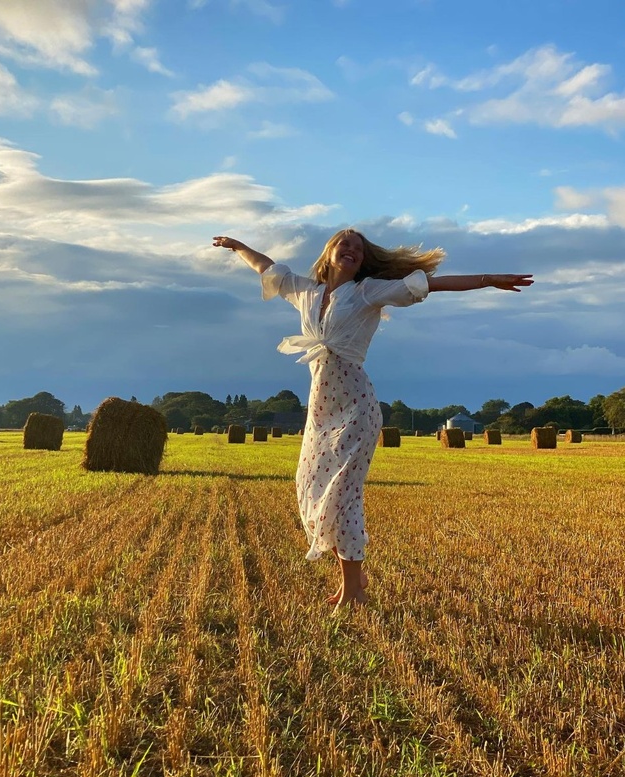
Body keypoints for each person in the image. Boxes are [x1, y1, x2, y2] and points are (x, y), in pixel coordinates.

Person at [213, 229, 533, 607]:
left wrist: (488, 280)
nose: (351, 250)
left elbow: (433, 284)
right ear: (329, 251)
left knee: (343, 497)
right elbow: (266, 267)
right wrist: (237, 247)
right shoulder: (304, 291)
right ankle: (352, 572)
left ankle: (354, 592)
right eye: (344, 244)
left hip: (356, 409)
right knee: (312, 490)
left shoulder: (368, 292)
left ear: (363, 261)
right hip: (320, 411)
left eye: (359, 249)